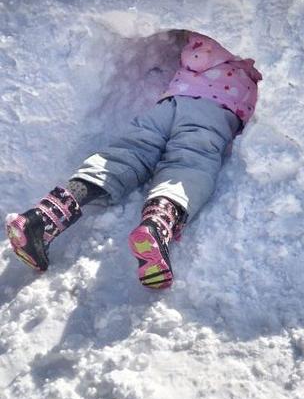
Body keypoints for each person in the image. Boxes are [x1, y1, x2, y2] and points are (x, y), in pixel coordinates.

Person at [5, 31, 262, 289]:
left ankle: (42, 217)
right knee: (189, 165)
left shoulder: (201, 41)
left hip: (171, 102)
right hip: (214, 113)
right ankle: (155, 225)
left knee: (128, 153)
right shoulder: (250, 43)